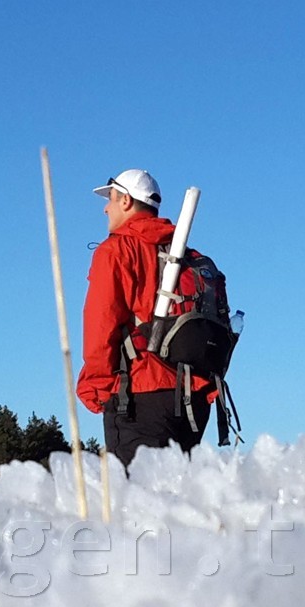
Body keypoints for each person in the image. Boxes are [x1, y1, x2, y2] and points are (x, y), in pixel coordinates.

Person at [77, 169, 212, 466]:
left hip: (139, 396)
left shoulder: (116, 251)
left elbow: (102, 322)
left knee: (136, 503)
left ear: (126, 201)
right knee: (178, 503)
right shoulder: (189, 257)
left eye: (110, 199)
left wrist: (95, 386)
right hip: (195, 399)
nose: (105, 208)